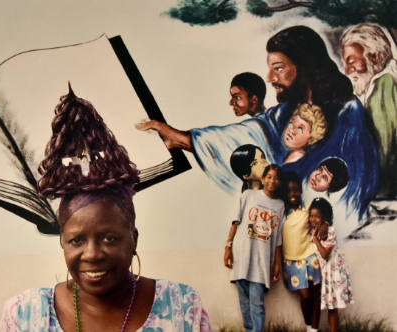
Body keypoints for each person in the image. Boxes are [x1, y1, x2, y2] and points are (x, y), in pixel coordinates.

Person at [0, 88, 212, 331]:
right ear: (62, 243)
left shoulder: (181, 309)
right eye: (76, 240)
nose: (92, 254)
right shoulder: (25, 316)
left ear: (133, 239)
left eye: (109, 238)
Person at [137, 25, 379, 224]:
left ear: (304, 67)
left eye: (279, 68)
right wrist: (181, 138)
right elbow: (247, 134)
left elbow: (351, 186)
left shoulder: (348, 112)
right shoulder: (286, 112)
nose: (270, 78)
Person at [223, 164, 285, 332]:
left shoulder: (280, 205)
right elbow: (235, 222)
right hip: (242, 253)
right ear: (263, 179)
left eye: (276, 178)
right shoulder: (248, 195)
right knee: (244, 301)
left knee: (256, 303)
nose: (272, 181)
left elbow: (278, 237)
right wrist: (228, 247)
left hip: (262, 259)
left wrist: (277, 264)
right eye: (269, 177)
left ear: (279, 182)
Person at [341, 23, 397, 199]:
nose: (347, 71)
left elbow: (384, 149)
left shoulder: (384, 86)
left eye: (351, 62)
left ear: (374, 57)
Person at [281, 172, 323, 332]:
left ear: (300, 191)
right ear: (285, 192)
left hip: (310, 257)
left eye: (296, 190)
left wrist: (324, 225)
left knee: (316, 295)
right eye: (290, 190)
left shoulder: (309, 207)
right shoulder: (282, 211)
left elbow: (322, 218)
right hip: (291, 261)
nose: (293, 194)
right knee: (305, 296)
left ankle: (314, 329)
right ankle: (308, 326)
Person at [309, 197, 354, 332]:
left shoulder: (330, 231)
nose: (313, 219)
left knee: (332, 307)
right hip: (325, 273)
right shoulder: (316, 230)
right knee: (329, 305)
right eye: (311, 216)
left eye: (317, 216)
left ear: (325, 217)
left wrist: (316, 240)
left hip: (334, 273)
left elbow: (324, 254)